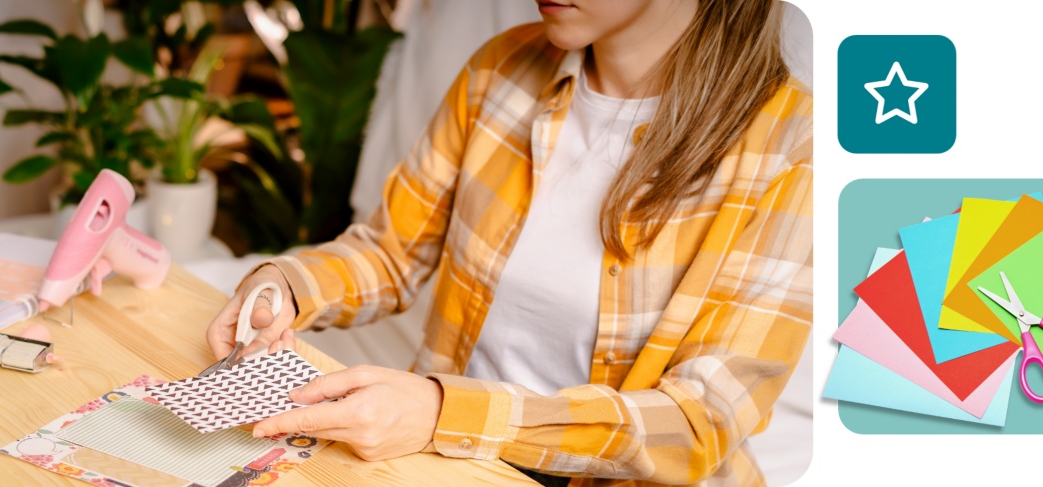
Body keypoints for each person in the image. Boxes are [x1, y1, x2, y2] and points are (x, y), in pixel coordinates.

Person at [207, 0, 812, 485]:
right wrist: (287, 285)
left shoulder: (792, 145)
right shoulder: (501, 66)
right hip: (447, 461)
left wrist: (443, 413)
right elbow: (392, 252)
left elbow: (701, 419)